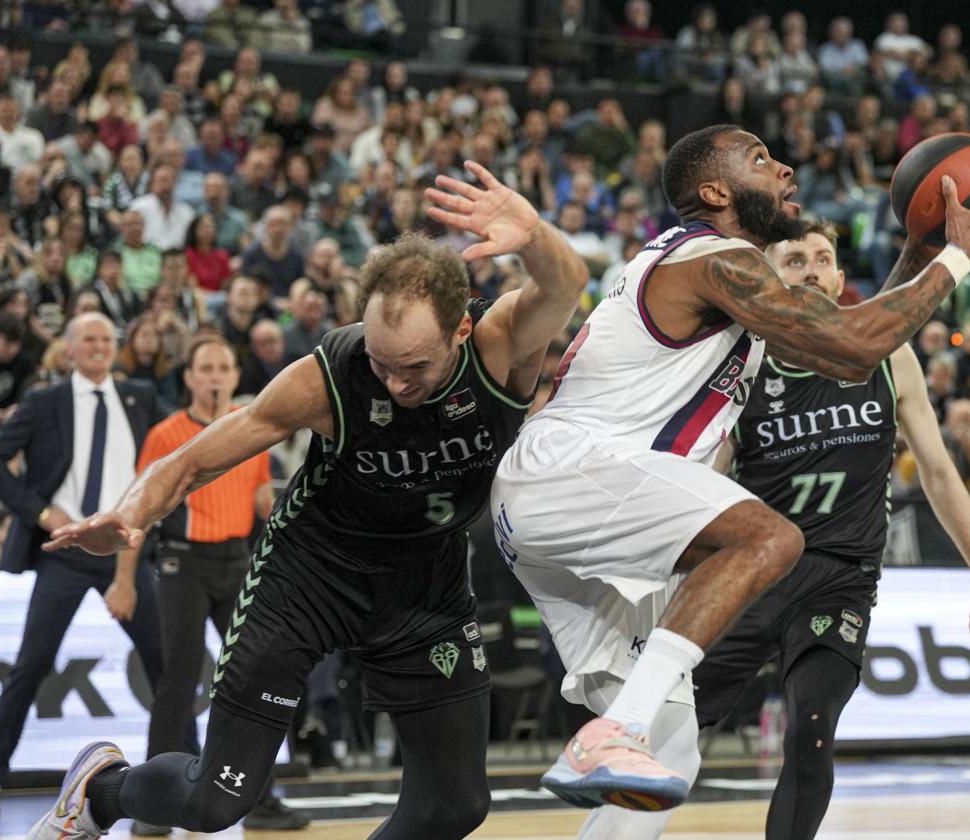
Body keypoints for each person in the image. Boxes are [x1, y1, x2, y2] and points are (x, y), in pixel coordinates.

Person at [29, 160, 586, 840]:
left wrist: (533, 234)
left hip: (426, 584)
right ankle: (102, 792)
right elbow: (198, 455)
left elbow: (565, 282)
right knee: (216, 802)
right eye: (382, 362)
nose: (395, 382)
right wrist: (132, 513)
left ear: (460, 332)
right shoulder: (331, 377)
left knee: (456, 805)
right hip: (310, 576)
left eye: (413, 367)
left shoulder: (500, 347)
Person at [489, 123, 970, 810]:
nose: (787, 170)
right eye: (761, 160)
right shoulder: (713, 259)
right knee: (768, 537)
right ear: (715, 191)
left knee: (668, 747)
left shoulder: (712, 273)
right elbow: (853, 345)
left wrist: (921, 253)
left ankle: (622, 732)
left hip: (562, 503)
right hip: (576, 471)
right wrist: (958, 255)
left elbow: (843, 351)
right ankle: (610, 729)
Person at [595, 222, 970, 840]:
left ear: (840, 278)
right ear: (769, 283)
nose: (811, 270)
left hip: (839, 578)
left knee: (811, 728)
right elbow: (701, 483)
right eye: (793, 261)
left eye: (822, 259)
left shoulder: (890, 356)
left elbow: (941, 474)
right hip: (751, 573)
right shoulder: (741, 368)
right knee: (667, 728)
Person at [126, 334, 306, 835]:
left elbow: (264, 510)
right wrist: (125, 580)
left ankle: (260, 798)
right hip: (184, 565)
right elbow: (140, 509)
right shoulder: (166, 433)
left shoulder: (249, 432)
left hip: (237, 563)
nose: (214, 376)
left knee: (253, 680)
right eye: (205, 368)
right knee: (177, 684)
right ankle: (152, 807)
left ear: (233, 376)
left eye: (223, 368)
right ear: (188, 377)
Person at [0, 314, 165, 814]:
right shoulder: (45, 402)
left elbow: (178, 450)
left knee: (166, 668)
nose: (98, 347)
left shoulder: (142, 398)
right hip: (64, 552)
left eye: (107, 340)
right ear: (68, 348)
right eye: (88, 338)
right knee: (30, 666)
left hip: (124, 550)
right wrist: (42, 513)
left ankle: (186, 774)